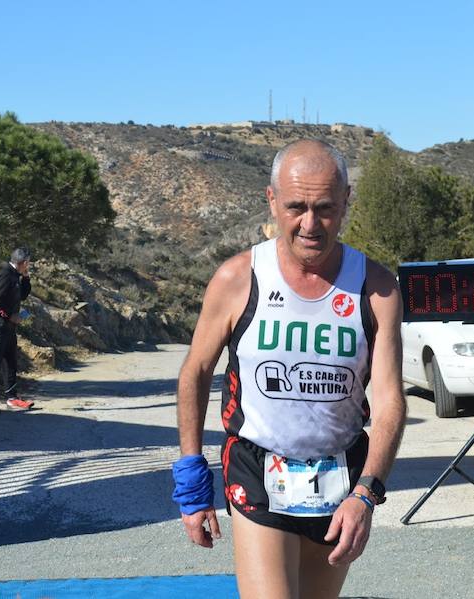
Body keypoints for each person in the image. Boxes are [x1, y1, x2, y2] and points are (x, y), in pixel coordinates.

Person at [173, 140, 406, 598]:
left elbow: (389, 398)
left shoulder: (376, 287)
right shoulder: (238, 278)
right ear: (272, 199)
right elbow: (195, 372)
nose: (310, 224)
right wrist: (191, 478)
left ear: (346, 202)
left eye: (325, 208)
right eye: (296, 206)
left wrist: (367, 492)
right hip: (257, 466)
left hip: (341, 473)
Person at [0, 247, 35, 414]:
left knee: (11, 362)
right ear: (24, 262)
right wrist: (8, 317)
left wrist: (26, 277)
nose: (29, 265)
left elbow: (23, 295)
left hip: (8, 328)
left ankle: (12, 398)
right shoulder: (5, 275)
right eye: (28, 263)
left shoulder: (16, 275)